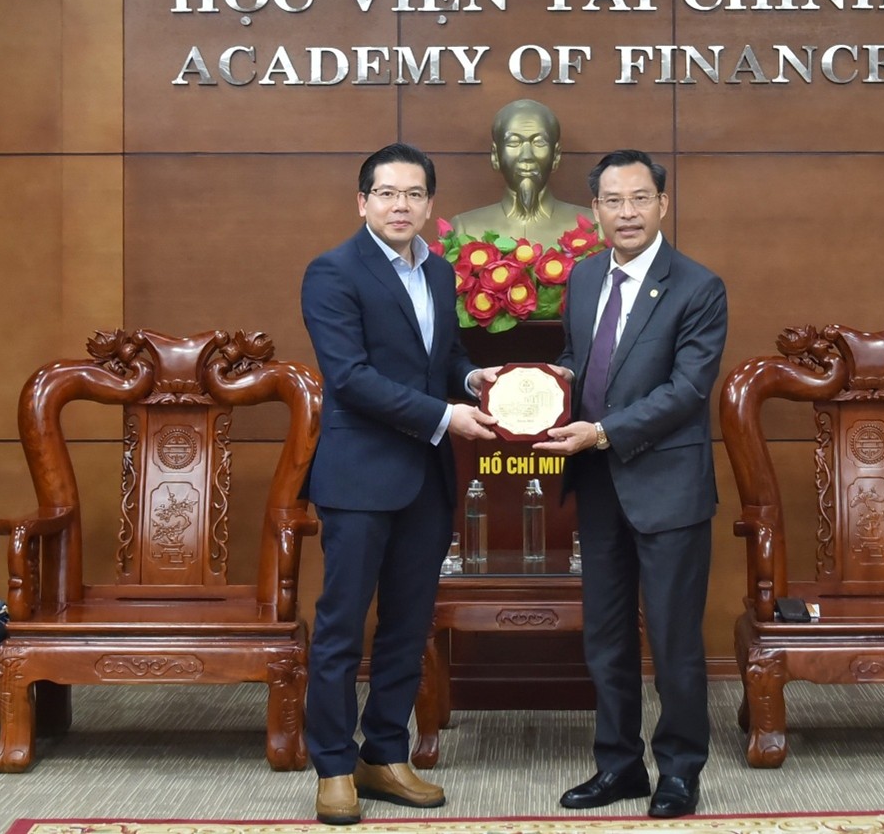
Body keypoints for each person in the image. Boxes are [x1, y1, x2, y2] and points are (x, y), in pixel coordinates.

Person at [301, 142, 500, 826]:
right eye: (387, 193)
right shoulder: (332, 272)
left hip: (425, 480)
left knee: (408, 627)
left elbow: (443, 357)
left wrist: (472, 379)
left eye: (414, 194)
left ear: (430, 204)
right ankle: (333, 765)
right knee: (341, 628)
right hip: (359, 479)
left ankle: (383, 755)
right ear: (362, 202)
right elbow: (350, 378)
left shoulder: (439, 272)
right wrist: (446, 415)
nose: (400, 205)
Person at [534, 149, 727, 819]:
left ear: (662, 205)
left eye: (640, 198)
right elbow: (579, 360)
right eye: (613, 201)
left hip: (667, 487)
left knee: (673, 639)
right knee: (607, 637)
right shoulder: (586, 277)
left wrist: (601, 431)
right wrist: (549, 385)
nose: (627, 212)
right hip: (598, 485)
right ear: (595, 210)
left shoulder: (698, 287)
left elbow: (686, 391)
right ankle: (618, 765)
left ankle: (680, 771)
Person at [448, 98, 595, 247]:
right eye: (514, 142)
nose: (527, 156)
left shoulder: (592, 226)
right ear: (495, 155)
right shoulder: (465, 229)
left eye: (539, 142)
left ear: (556, 155)